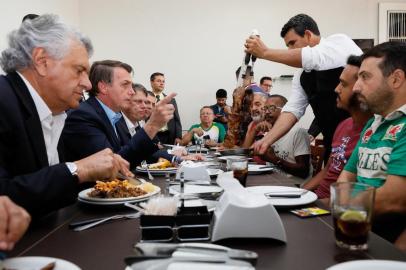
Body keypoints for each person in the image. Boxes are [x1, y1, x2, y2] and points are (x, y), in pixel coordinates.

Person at [0, 14, 131, 216]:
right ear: (41, 61)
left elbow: (42, 190)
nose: (88, 84)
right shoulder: (3, 100)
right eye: (79, 70)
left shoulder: (55, 112)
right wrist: (77, 170)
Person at [246, 14, 362, 162]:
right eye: (287, 46)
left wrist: (265, 53)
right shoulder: (301, 76)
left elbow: (313, 57)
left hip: (361, 139)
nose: (290, 50)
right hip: (333, 144)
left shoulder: (339, 42)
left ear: (308, 34)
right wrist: (266, 140)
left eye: (292, 43)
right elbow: (293, 110)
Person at [337, 41, 406, 243]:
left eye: (365, 77)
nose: (356, 87)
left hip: (385, 240)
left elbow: (392, 201)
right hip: (358, 227)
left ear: (396, 79)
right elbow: (345, 180)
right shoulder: (372, 124)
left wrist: (340, 206)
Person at [61, 61, 176, 169]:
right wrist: (152, 126)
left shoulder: (114, 116)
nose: (131, 92)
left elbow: (126, 155)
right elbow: (113, 166)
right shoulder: (83, 116)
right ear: (103, 87)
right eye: (125, 85)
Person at [302, 55, 372, 198]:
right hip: (319, 201)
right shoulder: (344, 125)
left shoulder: (374, 132)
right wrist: (300, 193)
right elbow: (328, 170)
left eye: (343, 84)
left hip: (337, 208)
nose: (336, 89)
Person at [259, 95, 312, 182]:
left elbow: (303, 171)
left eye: (272, 108)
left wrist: (273, 159)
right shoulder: (269, 134)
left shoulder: (298, 133)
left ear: (285, 111)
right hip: (273, 182)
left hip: (294, 187)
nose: (267, 112)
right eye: (265, 108)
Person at [150, 72, 182, 145]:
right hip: (153, 135)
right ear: (151, 83)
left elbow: (177, 119)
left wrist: (178, 136)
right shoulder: (147, 99)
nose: (162, 83)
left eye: (163, 81)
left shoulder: (171, 100)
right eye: (158, 81)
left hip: (169, 136)